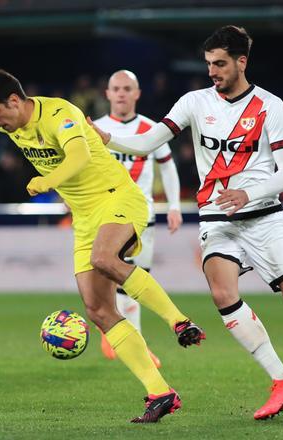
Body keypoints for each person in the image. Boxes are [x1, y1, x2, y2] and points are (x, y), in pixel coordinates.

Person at [90, 26, 283, 420]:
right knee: (222, 294)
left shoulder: (270, 106)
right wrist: (107, 139)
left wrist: (249, 193)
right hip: (217, 217)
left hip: (265, 217)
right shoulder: (194, 102)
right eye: (208, 64)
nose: (212, 71)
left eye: (220, 64)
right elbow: (150, 142)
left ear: (241, 62)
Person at [0, 68, 205, 423]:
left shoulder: (60, 113)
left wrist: (47, 181)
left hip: (118, 198)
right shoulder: (5, 121)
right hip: (85, 217)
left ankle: (178, 321)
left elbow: (80, 156)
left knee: (104, 258)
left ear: (14, 100)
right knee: (98, 310)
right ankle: (160, 392)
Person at [94, 70, 183, 368]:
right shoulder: (94, 128)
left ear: (137, 93)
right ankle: (135, 344)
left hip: (143, 215)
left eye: (126, 88)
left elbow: (168, 168)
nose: (120, 93)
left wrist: (174, 206)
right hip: (107, 214)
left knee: (136, 279)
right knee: (122, 277)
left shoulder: (151, 129)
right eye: (115, 88)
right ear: (107, 94)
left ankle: (114, 331)